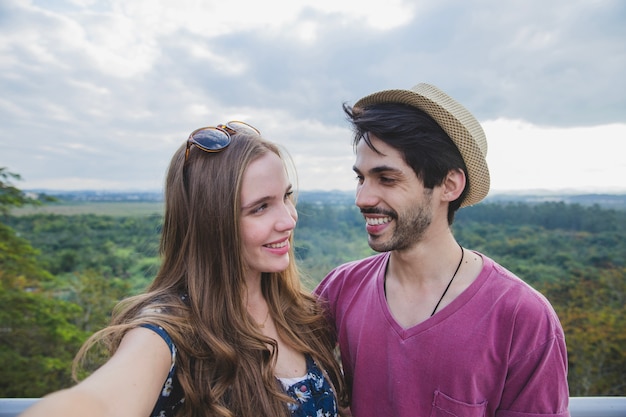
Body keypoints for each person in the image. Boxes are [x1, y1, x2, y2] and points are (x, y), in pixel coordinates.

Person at [20, 121, 347, 417]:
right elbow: (99, 402)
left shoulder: (304, 314)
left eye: (287, 196)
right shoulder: (172, 332)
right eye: (260, 207)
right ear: (211, 222)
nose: (289, 220)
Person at [315, 84, 570, 417]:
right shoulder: (341, 289)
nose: (362, 198)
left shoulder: (522, 318)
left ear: (449, 185)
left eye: (387, 179)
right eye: (361, 178)